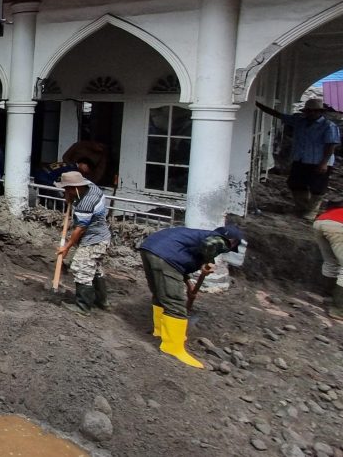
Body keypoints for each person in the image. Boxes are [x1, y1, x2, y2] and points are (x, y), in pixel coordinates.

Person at [139, 224, 245, 368]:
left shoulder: (195, 235)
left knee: (159, 294)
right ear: (232, 241)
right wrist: (208, 262)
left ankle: (160, 331)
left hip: (150, 248)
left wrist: (189, 285)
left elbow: (180, 264)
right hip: (165, 256)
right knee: (175, 303)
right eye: (231, 246)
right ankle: (173, 348)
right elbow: (208, 245)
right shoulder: (219, 240)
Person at [255, 98, 340, 219]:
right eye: (308, 111)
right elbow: (279, 115)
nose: (311, 113)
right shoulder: (300, 122)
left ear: (320, 112)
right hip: (300, 159)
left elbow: (331, 145)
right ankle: (302, 207)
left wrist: (324, 163)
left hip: (318, 161)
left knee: (317, 187)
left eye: (314, 111)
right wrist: (257, 104)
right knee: (295, 184)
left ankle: (311, 211)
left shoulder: (328, 126)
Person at [54, 170, 111, 315]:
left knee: (81, 268)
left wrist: (66, 247)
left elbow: (80, 229)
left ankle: (83, 306)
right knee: (95, 269)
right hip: (102, 236)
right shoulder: (90, 185)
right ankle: (102, 301)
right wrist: (69, 196)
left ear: (75, 188)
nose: (65, 191)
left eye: (67, 189)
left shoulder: (85, 204)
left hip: (94, 240)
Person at [313, 200, 343, 320]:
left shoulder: (337, 208)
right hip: (339, 226)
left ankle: (329, 296)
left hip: (320, 221)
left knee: (331, 262)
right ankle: (339, 309)